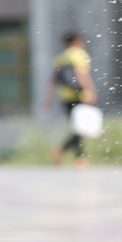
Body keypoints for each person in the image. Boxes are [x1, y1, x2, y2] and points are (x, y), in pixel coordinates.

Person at [43, 31, 98, 166]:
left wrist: (48, 99)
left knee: (77, 127)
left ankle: (79, 157)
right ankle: (63, 150)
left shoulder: (60, 58)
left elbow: (54, 80)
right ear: (76, 41)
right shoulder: (78, 54)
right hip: (79, 95)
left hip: (65, 97)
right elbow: (81, 74)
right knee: (80, 128)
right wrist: (91, 90)